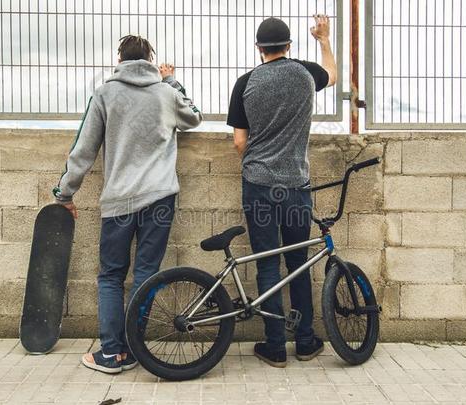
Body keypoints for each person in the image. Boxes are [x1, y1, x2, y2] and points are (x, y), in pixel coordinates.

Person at [53, 35, 202, 373]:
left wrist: (64, 194)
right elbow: (194, 117)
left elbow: (83, 151)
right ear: (151, 59)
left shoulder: (105, 94)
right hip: (161, 197)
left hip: (119, 202)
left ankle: (110, 353)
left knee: (110, 276)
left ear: (119, 59)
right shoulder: (166, 93)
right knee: (147, 275)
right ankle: (135, 349)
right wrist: (172, 81)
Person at [226, 15, 337, 367]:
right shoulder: (305, 74)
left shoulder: (246, 83)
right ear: (289, 45)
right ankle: (305, 342)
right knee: (297, 262)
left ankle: (274, 345)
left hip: (259, 185)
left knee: (267, 263)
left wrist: (261, 158)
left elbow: (240, 142)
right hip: (296, 186)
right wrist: (324, 40)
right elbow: (332, 75)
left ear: (259, 48)